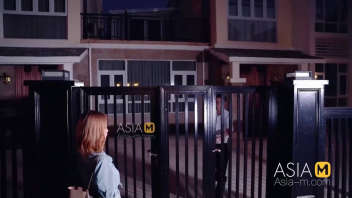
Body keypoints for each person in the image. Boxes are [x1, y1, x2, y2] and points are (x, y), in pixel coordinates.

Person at [75, 111, 121, 198]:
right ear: (96, 131)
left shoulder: (81, 156)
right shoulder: (102, 162)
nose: (107, 130)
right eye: (104, 127)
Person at [215, 95, 230, 197]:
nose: (218, 105)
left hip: (224, 145)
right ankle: (218, 187)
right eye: (217, 102)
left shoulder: (227, 114)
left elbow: (228, 131)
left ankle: (219, 192)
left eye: (220, 102)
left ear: (224, 103)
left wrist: (220, 133)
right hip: (214, 145)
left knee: (222, 168)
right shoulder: (212, 113)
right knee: (215, 168)